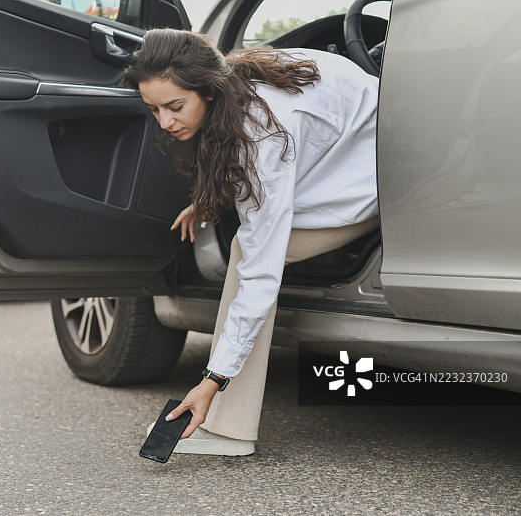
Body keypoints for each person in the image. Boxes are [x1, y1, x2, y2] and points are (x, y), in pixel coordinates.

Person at [122, 29, 380, 456]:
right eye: (154, 109)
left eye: (175, 107)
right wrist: (208, 203)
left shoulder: (263, 132)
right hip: (348, 153)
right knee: (252, 238)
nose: (165, 122)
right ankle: (227, 422)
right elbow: (239, 164)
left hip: (374, 178)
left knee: (249, 252)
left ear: (206, 88)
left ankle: (226, 426)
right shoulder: (234, 78)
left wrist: (213, 379)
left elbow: (261, 273)